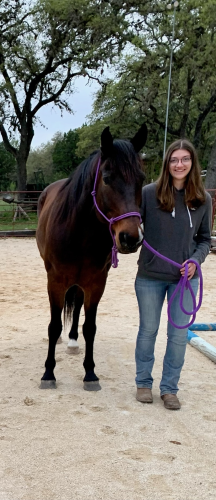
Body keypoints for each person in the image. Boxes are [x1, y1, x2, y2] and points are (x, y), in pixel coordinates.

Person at [135, 139, 212, 410]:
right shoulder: (147, 194)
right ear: (167, 164)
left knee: (178, 337)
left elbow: (205, 240)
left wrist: (195, 260)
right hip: (150, 276)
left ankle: (169, 389)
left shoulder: (203, 199)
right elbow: (131, 223)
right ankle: (143, 383)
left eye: (185, 159)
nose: (180, 164)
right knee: (148, 331)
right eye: (174, 160)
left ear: (192, 163)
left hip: (185, 280)